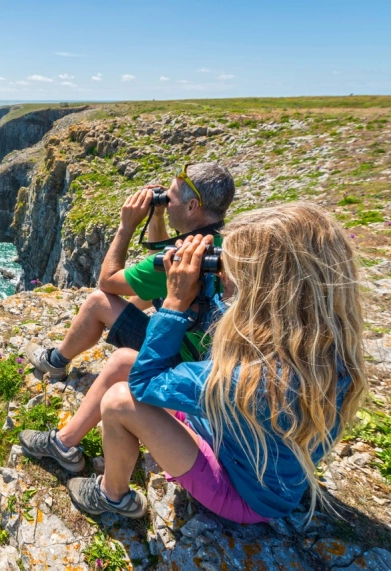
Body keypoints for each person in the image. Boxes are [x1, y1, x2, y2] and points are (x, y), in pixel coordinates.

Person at [56, 203, 367, 523]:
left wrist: (176, 302)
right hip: (233, 439)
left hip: (244, 492)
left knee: (121, 401)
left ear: (259, 291)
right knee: (124, 360)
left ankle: (113, 495)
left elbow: (146, 384)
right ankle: (64, 444)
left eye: (230, 272)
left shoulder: (256, 377)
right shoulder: (310, 341)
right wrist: (198, 282)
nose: (223, 278)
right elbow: (218, 323)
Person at [20, 163, 235, 471]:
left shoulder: (182, 259)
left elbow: (107, 281)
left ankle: (54, 362)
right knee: (145, 294)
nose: (164, 201)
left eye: (169, 198)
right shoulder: (220, 246)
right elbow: (155, 282)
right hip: (204, 360)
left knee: (98, 301)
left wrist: (126, 226)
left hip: (178, 360)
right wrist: (158, 215)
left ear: (192, 206)